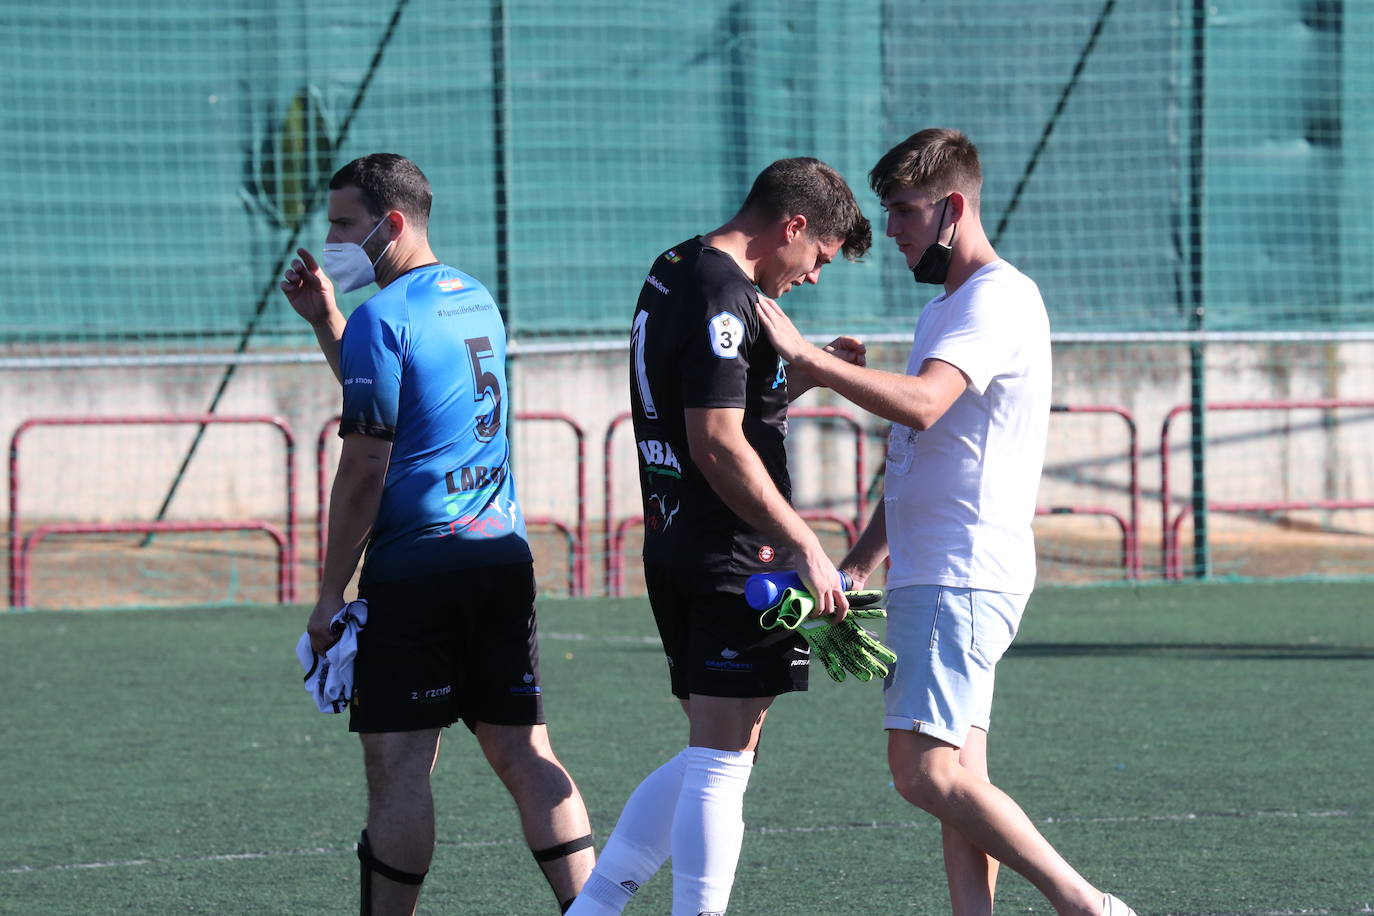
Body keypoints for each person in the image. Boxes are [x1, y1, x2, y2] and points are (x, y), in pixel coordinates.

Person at [753, 129, 1138, 916]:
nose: (889, 230)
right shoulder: (948, 309)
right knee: (960, 775)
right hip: (940, 567)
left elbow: (924, 405)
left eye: (902, 212)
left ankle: (1086, 905)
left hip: (961, 570)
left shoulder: (996, 297)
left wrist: (817, 364)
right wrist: (859, 563)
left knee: (921, 773)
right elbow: (919, 456)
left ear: (953, 208)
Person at [280, 153, 594, 915]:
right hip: (500, 561)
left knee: (399, 766)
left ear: (391, 224)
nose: (332, 242)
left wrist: (329, 594)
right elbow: (404, 404)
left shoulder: (386, 319)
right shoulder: (472, 297)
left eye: (344, 225)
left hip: (418, 573)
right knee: (525, 751)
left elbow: (363, 465)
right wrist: (330, 323)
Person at [568, 158, 871, 916]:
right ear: (792, 227)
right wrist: (806, 542)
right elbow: (716, 442)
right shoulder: (727, 293)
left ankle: (595, 907)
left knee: (724, 746)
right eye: (819, 259)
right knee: (721, 761)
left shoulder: (675, 265)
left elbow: (711, 402)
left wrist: (810, 373)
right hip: (734, 552)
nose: (813, 278)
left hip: (676, 539)